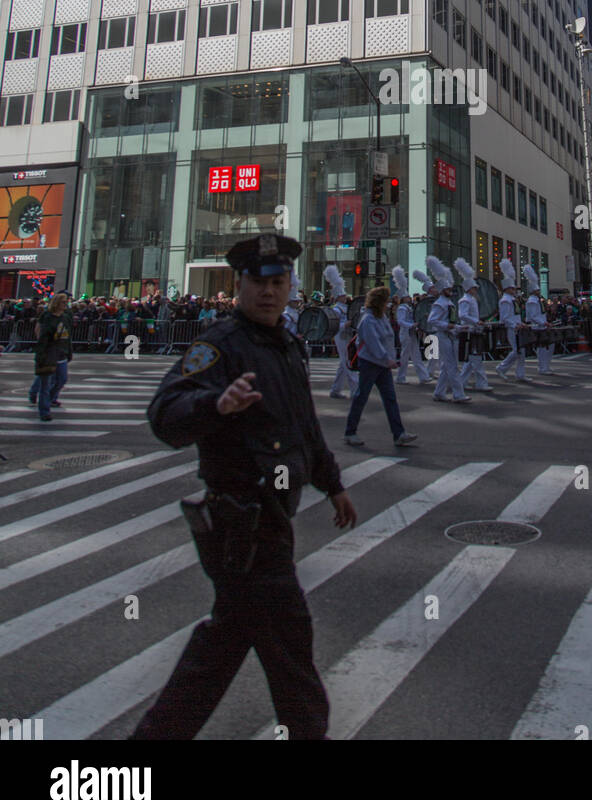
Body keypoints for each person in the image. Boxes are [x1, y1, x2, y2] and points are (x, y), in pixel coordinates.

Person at [128, 233, 357, 741]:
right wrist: (215, 405)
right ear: (241, 285)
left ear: (291, 285)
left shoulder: (287, 345)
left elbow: (304, 427)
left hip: (272, 519)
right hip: (242, 522)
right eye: (259, 282)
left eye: (278, 282)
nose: (269, 292)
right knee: (290, 647)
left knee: (221, 647)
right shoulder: (220, 344)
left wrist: (332, 484)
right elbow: (164, 416)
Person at [344, 286, 419, 446]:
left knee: (389, 398)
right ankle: (350, 432)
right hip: (370, 363)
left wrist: (388, 359)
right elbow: (373, 343)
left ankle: (399, 433)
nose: (388, 304)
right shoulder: (368, 320)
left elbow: (385, 340)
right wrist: (387, 359)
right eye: (386, 301)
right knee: (361, 396)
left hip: (381, 364)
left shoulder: (380, 317)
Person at [427, 256, 470, 403]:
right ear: (442, 290)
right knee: (452, 366)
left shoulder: (449, 302)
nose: (450, 290)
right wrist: (449, 326)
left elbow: (450, 321)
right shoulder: (439, 303)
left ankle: (439, 393)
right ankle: (458, 394)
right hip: (443, 336)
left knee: (447, 366)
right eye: (447, 289)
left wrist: (458, 327)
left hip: (450, 335)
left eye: (450, 288)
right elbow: (432, 320)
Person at [30, 292, 73, 419]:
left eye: (66, 302)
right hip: (49, 352)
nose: (66, 304)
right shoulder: (48, 317)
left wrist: (69, 350)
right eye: (63, 302)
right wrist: (40, 353)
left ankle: (49, 398)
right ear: (57, 303)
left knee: (61, 379)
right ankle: (44, 410)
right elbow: (43, 335)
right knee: (45, 382)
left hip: (61, 352)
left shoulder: (66, 317)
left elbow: (68, 336)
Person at [455, 257, 491, 393]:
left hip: (474, 330)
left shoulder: (472, 300)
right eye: (474, 288)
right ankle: (481, 383)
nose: (476, 289)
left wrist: (478, 322)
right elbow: (462, 315)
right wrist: (476, 322)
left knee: (471, 360)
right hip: (468, 331)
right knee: (476, 359)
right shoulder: (465, 300)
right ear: (469, 289)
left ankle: (462, 382)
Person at [393, 265, 431, 384]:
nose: (409, 298)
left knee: (416, 355)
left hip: (411, 333)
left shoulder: (409, 307)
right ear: (403, 299)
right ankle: (401, 377)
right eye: (407, 297)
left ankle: (423, 376)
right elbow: (400, 321)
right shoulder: (402, 308)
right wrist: (412, 325)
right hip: (406, 333)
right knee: (406, 356)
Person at [325, 264, 356, 399]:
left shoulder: (345, 307)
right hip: (341, 336)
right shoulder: (336, 309)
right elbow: (335, 325)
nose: (345, 297)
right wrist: (346, 324)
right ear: (338, 297)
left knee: (344, 364)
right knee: (348, 362)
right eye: (343, 296)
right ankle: (356, 390)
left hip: (347, 335)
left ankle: (335, 390)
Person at [496, 259, 526, 382]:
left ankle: (520, 374)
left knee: (521, 351)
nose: (515, 290)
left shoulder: (512, 300)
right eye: (512, 288)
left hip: (517, 327)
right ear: (507, 289)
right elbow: (505, 317)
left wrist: (520, 323)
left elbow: (515, 315)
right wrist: (514, 325)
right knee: (517, 350)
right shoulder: (505, 300)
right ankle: (501, 368)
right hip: (512, 329)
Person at [523, 264, 553, 375]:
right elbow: (533, 316)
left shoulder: (537, 300)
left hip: (542, 326)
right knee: (542, 348)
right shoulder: (531, 301)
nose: (539, 291)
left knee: (547, 347)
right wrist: (543, 322)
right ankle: (542, 367)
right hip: (537, 327)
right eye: (537, 289)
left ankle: (546, 366)